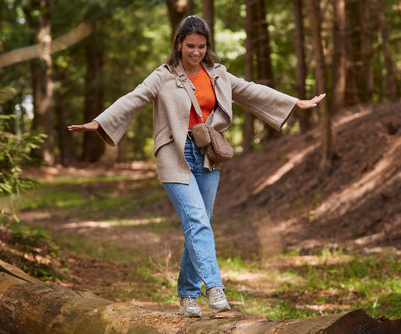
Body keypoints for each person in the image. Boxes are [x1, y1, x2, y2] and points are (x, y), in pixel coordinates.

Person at [68, 15, 325, 318]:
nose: (196, 52)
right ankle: (214, 288)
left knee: (200, 222)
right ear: (178, 44)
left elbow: (251, 90)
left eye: (202, 47)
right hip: (174, 154)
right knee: (197, 221)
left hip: (207, 154)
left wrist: (295, 102)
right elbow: (133, 98)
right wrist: (99, 122)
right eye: (190, 46)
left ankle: (187, 295)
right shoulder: (162, 76)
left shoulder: (217, 74)